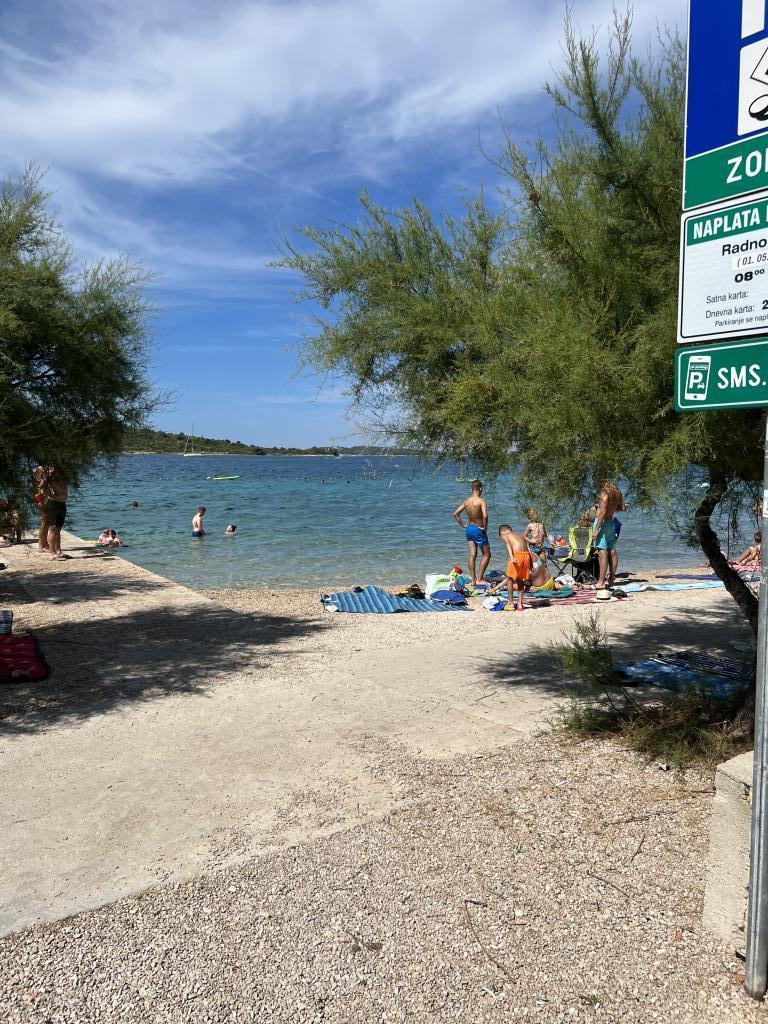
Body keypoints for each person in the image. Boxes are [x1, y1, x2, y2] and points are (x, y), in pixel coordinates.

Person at [452, 480, 491, 586]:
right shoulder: (481, 501)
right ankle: (479, 579)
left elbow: (455, 514)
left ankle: (473, 580)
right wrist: (485, 527)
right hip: (478, 529)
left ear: (471, 489)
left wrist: (463, 525)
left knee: (472, 554)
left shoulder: (467, 501)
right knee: (487, 554)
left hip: (469, 529)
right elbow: (485, 515)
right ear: (481, 488)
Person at [486, 524, 531, 612]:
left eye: (501, 536)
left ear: (502, 532)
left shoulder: (506, 535)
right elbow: (528, 547)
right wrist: (530, 563)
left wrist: (511, 556)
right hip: (526, 556)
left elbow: (508, 545)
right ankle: (520, 604)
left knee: (510, 579)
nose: (502, 538)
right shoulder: (519, 535)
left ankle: (511, 603)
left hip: (517, 555)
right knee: (520, 580)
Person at [592, 481, 627, 589]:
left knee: (602, 551)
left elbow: (602, 511)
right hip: (611, 522)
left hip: (602, 524)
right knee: (611, 549)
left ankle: (601, 582)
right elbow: (621, 508)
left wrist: (596, 529)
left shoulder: (605, 493)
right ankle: (611, 578)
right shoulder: (617, 493)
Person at [35, 466, 68, 559]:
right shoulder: (49, 474)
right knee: (53, 528)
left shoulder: (62, 473)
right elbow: (40, 486)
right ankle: (52, 553)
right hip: (53, 502)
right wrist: (42, 498)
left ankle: (58, 551)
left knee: (58, 528)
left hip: (62, 502)